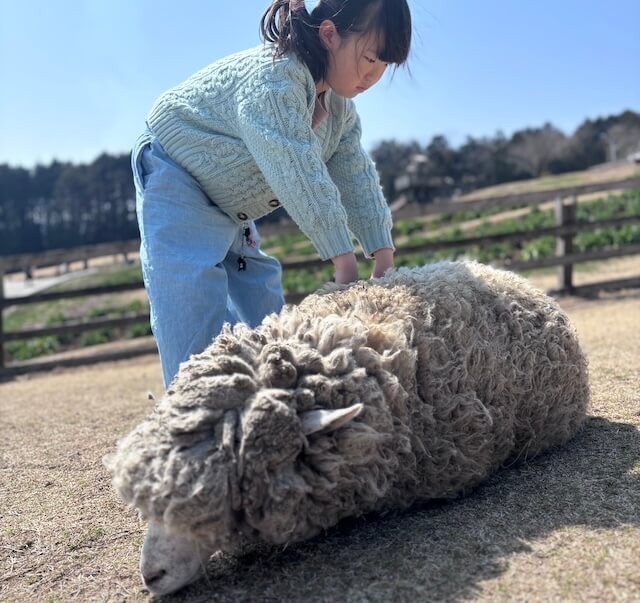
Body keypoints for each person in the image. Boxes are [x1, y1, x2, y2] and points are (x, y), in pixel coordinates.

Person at [132, 0, 412, 387]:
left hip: (233, 202)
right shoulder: (276, 78)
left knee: (261, 297)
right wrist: (344, 262)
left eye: (385, 65)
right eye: (369, 58)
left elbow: (355, 175)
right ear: (330, 35)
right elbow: (297, 171)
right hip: (179, 171)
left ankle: (269, 394)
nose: (374, 75)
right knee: (191, 290)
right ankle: (197, 406)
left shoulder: (341, 109)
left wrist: (382, 251)